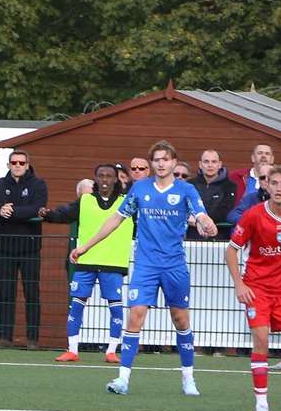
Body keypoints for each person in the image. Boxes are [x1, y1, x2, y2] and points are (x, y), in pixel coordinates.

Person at [73, 139, 218, 396]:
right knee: (135, 316)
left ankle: (188, 378)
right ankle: (123, 379)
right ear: (152, 164)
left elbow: (201, 214)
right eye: (157, 159)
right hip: (145, 265)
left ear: (174, 162)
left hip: (174, 265)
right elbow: (116, 218)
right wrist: (86, 246)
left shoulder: (186, 190)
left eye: (165, 159)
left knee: (180, 319)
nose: (161, 163)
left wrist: (207, 224)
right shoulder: (140, 189)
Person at [225, 164, 281, 411]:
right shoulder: (253, 215)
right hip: (258, 289)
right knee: (261, 340)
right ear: (266, 186)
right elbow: (231, 250)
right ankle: (261, 404)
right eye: (273, 183)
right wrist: (240, 284)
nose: (278, 188)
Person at [44, 163, 129, 363]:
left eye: (109, 176)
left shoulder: (127, 203)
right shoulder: (85, 201)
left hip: (113, 263)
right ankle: (72, 349)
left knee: (115, 307)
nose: (105, 180)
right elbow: (64, 214)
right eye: (101, 176)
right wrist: (47, 214)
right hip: (86, 261)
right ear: (95, 179)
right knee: (76, 305)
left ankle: (111, 350)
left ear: (116, 179)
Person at [0, 149, 49, 348]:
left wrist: (11, 212)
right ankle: (3, 337)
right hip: (4, 247)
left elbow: (37, 207)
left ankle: (32, 339)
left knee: (32, 293)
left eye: (21, 163)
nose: (17, 166)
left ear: (27, 165)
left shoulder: (38, 184)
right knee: (4, 293)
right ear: (9, 165)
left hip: (30, 248)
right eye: (14, 162)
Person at [226, 143, 278, 225]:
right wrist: (250, 221)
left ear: (272, 159)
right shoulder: (236, 177)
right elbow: (232, 214)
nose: (263, 156)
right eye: (260, 153)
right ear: (253, 158)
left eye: (267, 153)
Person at [188, 149, 235, 238]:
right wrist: (197, 221)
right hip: (193, 236)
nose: (210, 165)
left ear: (219, 164)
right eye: (206, 162)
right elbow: (186, 208)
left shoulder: (230, 186)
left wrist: (202, 222)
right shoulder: (190, 185)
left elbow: (225, 211)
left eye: (214, 162)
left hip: (220, 236)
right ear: (200, 165)